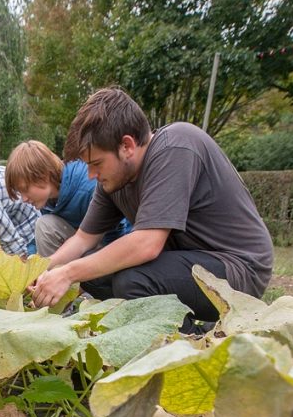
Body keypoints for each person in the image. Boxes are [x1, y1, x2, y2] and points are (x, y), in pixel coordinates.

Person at [30, 88, 274, 326]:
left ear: (127, 146)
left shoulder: (176, 146)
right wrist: (41, 270)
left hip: (239, 269)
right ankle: (182, 327)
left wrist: (68, 273)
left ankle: (196, 346)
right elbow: (83, 239)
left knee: (132, 280)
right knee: (93, 272)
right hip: (190, 265)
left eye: (96, 163)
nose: (92, 175)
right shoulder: (114, 181)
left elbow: (147, 244)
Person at [4, 139, 131, 257]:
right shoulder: (48, 199)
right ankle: (50, 278)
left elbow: (117, 230)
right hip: (85, 242)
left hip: (118, 245)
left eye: (25, 189)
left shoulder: (87, 188)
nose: (24, 199)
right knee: (44, 225)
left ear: (43, 176)